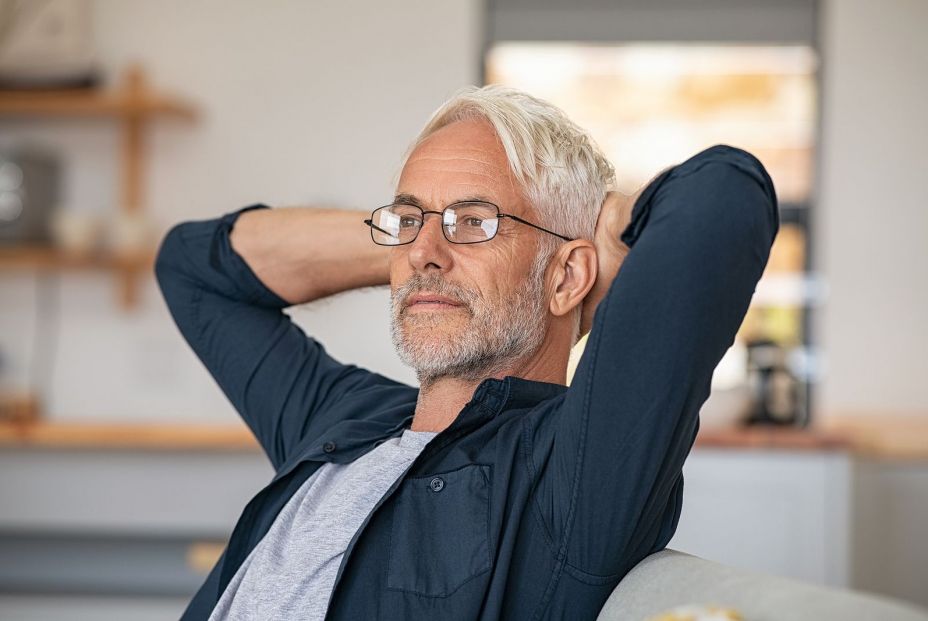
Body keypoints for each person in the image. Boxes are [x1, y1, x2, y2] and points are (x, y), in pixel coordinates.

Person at [155, 85, 779, 620]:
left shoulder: (570, 470)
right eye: (406, 221)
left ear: (565, 278)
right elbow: (192, 267)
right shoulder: (344, 419)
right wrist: (421, 241)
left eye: (475, 220)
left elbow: (725, 196)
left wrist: (605, 232)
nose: (425, 251)